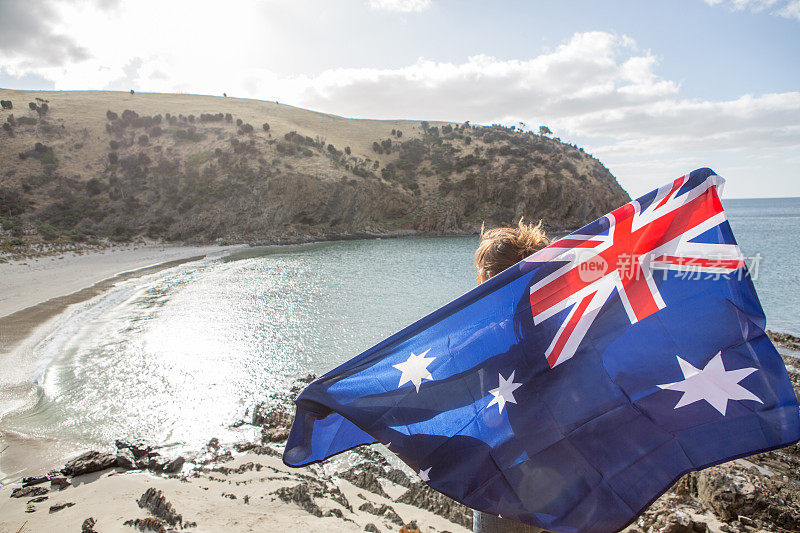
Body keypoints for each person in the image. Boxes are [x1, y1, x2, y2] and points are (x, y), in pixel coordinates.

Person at [472, 218, 550, 533]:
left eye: (481, 273)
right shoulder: (558, 327)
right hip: (565, 477)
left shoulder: (490, 337)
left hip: (506, 486)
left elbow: (444, 394)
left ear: (490, 277)